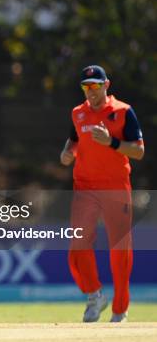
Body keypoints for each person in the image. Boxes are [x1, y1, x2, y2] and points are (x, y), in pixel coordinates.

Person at [60, 65, 144, 323]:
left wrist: (113, 143)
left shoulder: (122, 112)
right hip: (85, 187)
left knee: (120, 250)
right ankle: (94, 293)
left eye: (96, 85)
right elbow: (74, 139)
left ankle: (120, 309)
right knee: (77, 245)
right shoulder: (78, 113)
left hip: (115, 187)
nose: (91, 91)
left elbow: (139, 151)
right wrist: (68, 152)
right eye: (86, 86)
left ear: (106, 85)